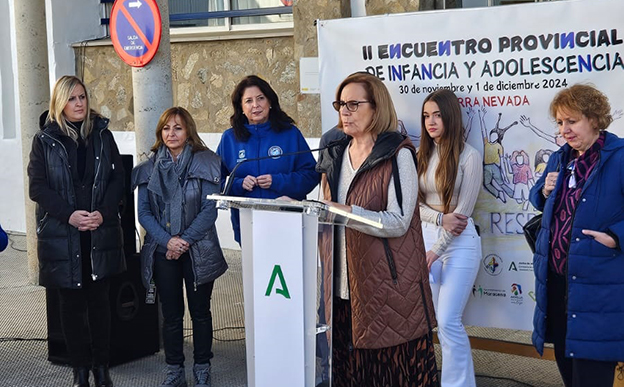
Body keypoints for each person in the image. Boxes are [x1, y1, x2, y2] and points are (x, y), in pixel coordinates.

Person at [316, 72, 439, 387]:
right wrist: (297, 210)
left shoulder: (397, 155)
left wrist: (350, 212)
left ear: (377, 107)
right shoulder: (335, 154)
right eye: (341, 104)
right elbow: (325, 212)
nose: (345, 111)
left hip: (387, 293)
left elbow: (399, 222)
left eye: (354, 104)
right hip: (341, 292)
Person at [27, 75, 125, 387]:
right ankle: (80, 372)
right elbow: (38, 187)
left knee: (100, 305)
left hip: (98, 231)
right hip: (63, 235)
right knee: (70, 307)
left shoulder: (102, 135)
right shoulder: (44, 141)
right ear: (60, 103)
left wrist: (103, 213)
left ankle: (102, 369)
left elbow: (118, 179)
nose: (79, 104)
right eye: (72, 99)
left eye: (82, 97)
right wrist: (70, 215)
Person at [529, 84, 624, 387]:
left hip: (597, 288)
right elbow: (538, 198)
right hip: (558, 286)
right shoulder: (560, 157)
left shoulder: (619, 157)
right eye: (559, 123)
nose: (564, 130)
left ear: (594, 119)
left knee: (591, 377)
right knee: (569, 374)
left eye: (571, 121)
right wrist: (543, 190)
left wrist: (615, 237)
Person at [132, 107, 228, 387]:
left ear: (189, 133)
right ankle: (174, 370)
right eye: (166, 129)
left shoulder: (207, 162)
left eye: (178, 128)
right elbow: (144, 213)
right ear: (160, 134)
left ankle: (202, 368)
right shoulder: (147, 169)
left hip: (199, 251)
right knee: (171, 315)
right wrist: (168, 241)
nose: (171, 134)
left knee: (200, 312)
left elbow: (210, 210)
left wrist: (183, 241)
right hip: (163, 252)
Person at [417, 89, 483, 387]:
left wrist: (435, 249)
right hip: (425, 239)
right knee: (427, 322)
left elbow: (461, 216)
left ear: (451, 116)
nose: (431, 121)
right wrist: (438, 218)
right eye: (426, 115)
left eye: (438, 115)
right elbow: (411, 207)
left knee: (448, 321)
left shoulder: (470, 156)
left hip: (459, 246)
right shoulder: (421, 155)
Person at [216, 75, 319, 244]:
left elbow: (311, 175)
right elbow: (213, 180)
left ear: (270, 102)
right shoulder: (230, 138)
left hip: (287, 223)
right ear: (241, 107)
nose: (255, 105)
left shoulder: (290, 134)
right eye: (248, 101)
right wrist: (238, 184)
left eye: (260, 98)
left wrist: (277, 181)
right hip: (247, 226)